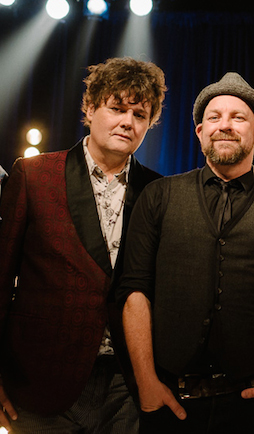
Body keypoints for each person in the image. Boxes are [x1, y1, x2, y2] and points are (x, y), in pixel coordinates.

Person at [117, 72, 254, 434]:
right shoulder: (159, 196)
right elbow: (135, 291)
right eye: (214, 117)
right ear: (199, 132)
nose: (224, 126)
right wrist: (145, 380)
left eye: (237, 118)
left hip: (253, 406)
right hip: (168, 399)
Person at [0, 57, 166, 433]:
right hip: (40, 376)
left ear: (150, 124)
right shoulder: (34, 174)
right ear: (90, 108)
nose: (128, 121)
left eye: (140, 114)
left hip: (126, 381)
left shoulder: (158, 191)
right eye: (117, 108)